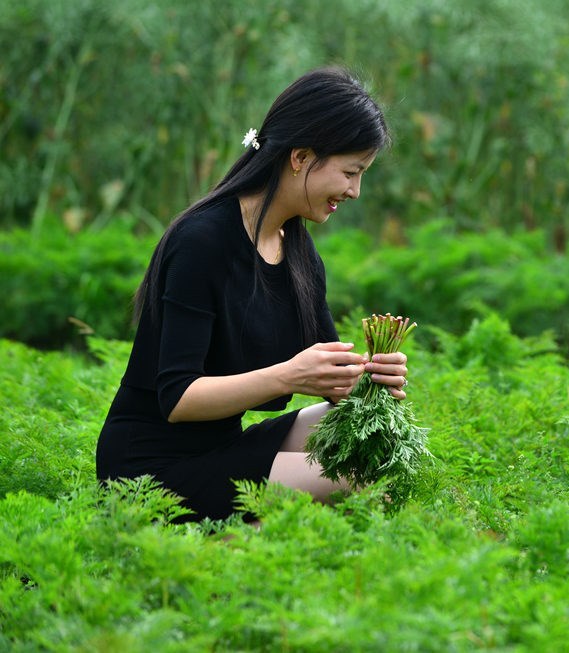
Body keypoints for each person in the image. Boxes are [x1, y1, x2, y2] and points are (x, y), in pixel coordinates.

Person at [96, 67, 408, 522]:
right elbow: (178, 398)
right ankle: (234, 544)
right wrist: (290, 376)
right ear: (301, 157)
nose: (355, 191)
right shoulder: (202, 240)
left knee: (366, 443)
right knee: (353, 474)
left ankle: (243, 537)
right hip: (150, 470)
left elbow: (333, 382)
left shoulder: (299, 253)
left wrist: (374, 381)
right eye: (350, 172)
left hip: (222, 447)